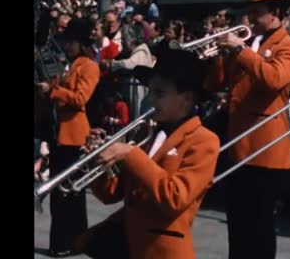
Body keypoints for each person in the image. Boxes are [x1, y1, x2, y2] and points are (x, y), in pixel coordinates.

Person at [77, 47, 220, 259]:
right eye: (150, 91)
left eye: (160, 93)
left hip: (161, 251)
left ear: (187, 98)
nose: (151, 99)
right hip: (125, 246)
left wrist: (131, 155)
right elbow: (111, 194)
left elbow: (175, 198)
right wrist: (97, 160)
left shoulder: (204, 141)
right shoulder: (148, 133)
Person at [205, 0, 290, 259]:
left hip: (265, 148)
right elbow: (215, 84)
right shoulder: (249, 44)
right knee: (238, 227)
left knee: (259, 229)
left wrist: (240, 50)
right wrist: (219, 56)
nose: (251, 19)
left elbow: (273, 79)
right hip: (238, 143)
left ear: (275, 14)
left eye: (257, 12)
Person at [36, 18, 100, 257]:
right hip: (60, 133)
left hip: (74, 136)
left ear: (81, 43)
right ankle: (65, 243)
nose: (67, 46)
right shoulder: (70, 65)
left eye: (71, 42)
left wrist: (54, 90)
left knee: (69, 195)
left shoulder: (89, 66)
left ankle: (68, 243)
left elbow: (80, 98)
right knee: (62, 195)